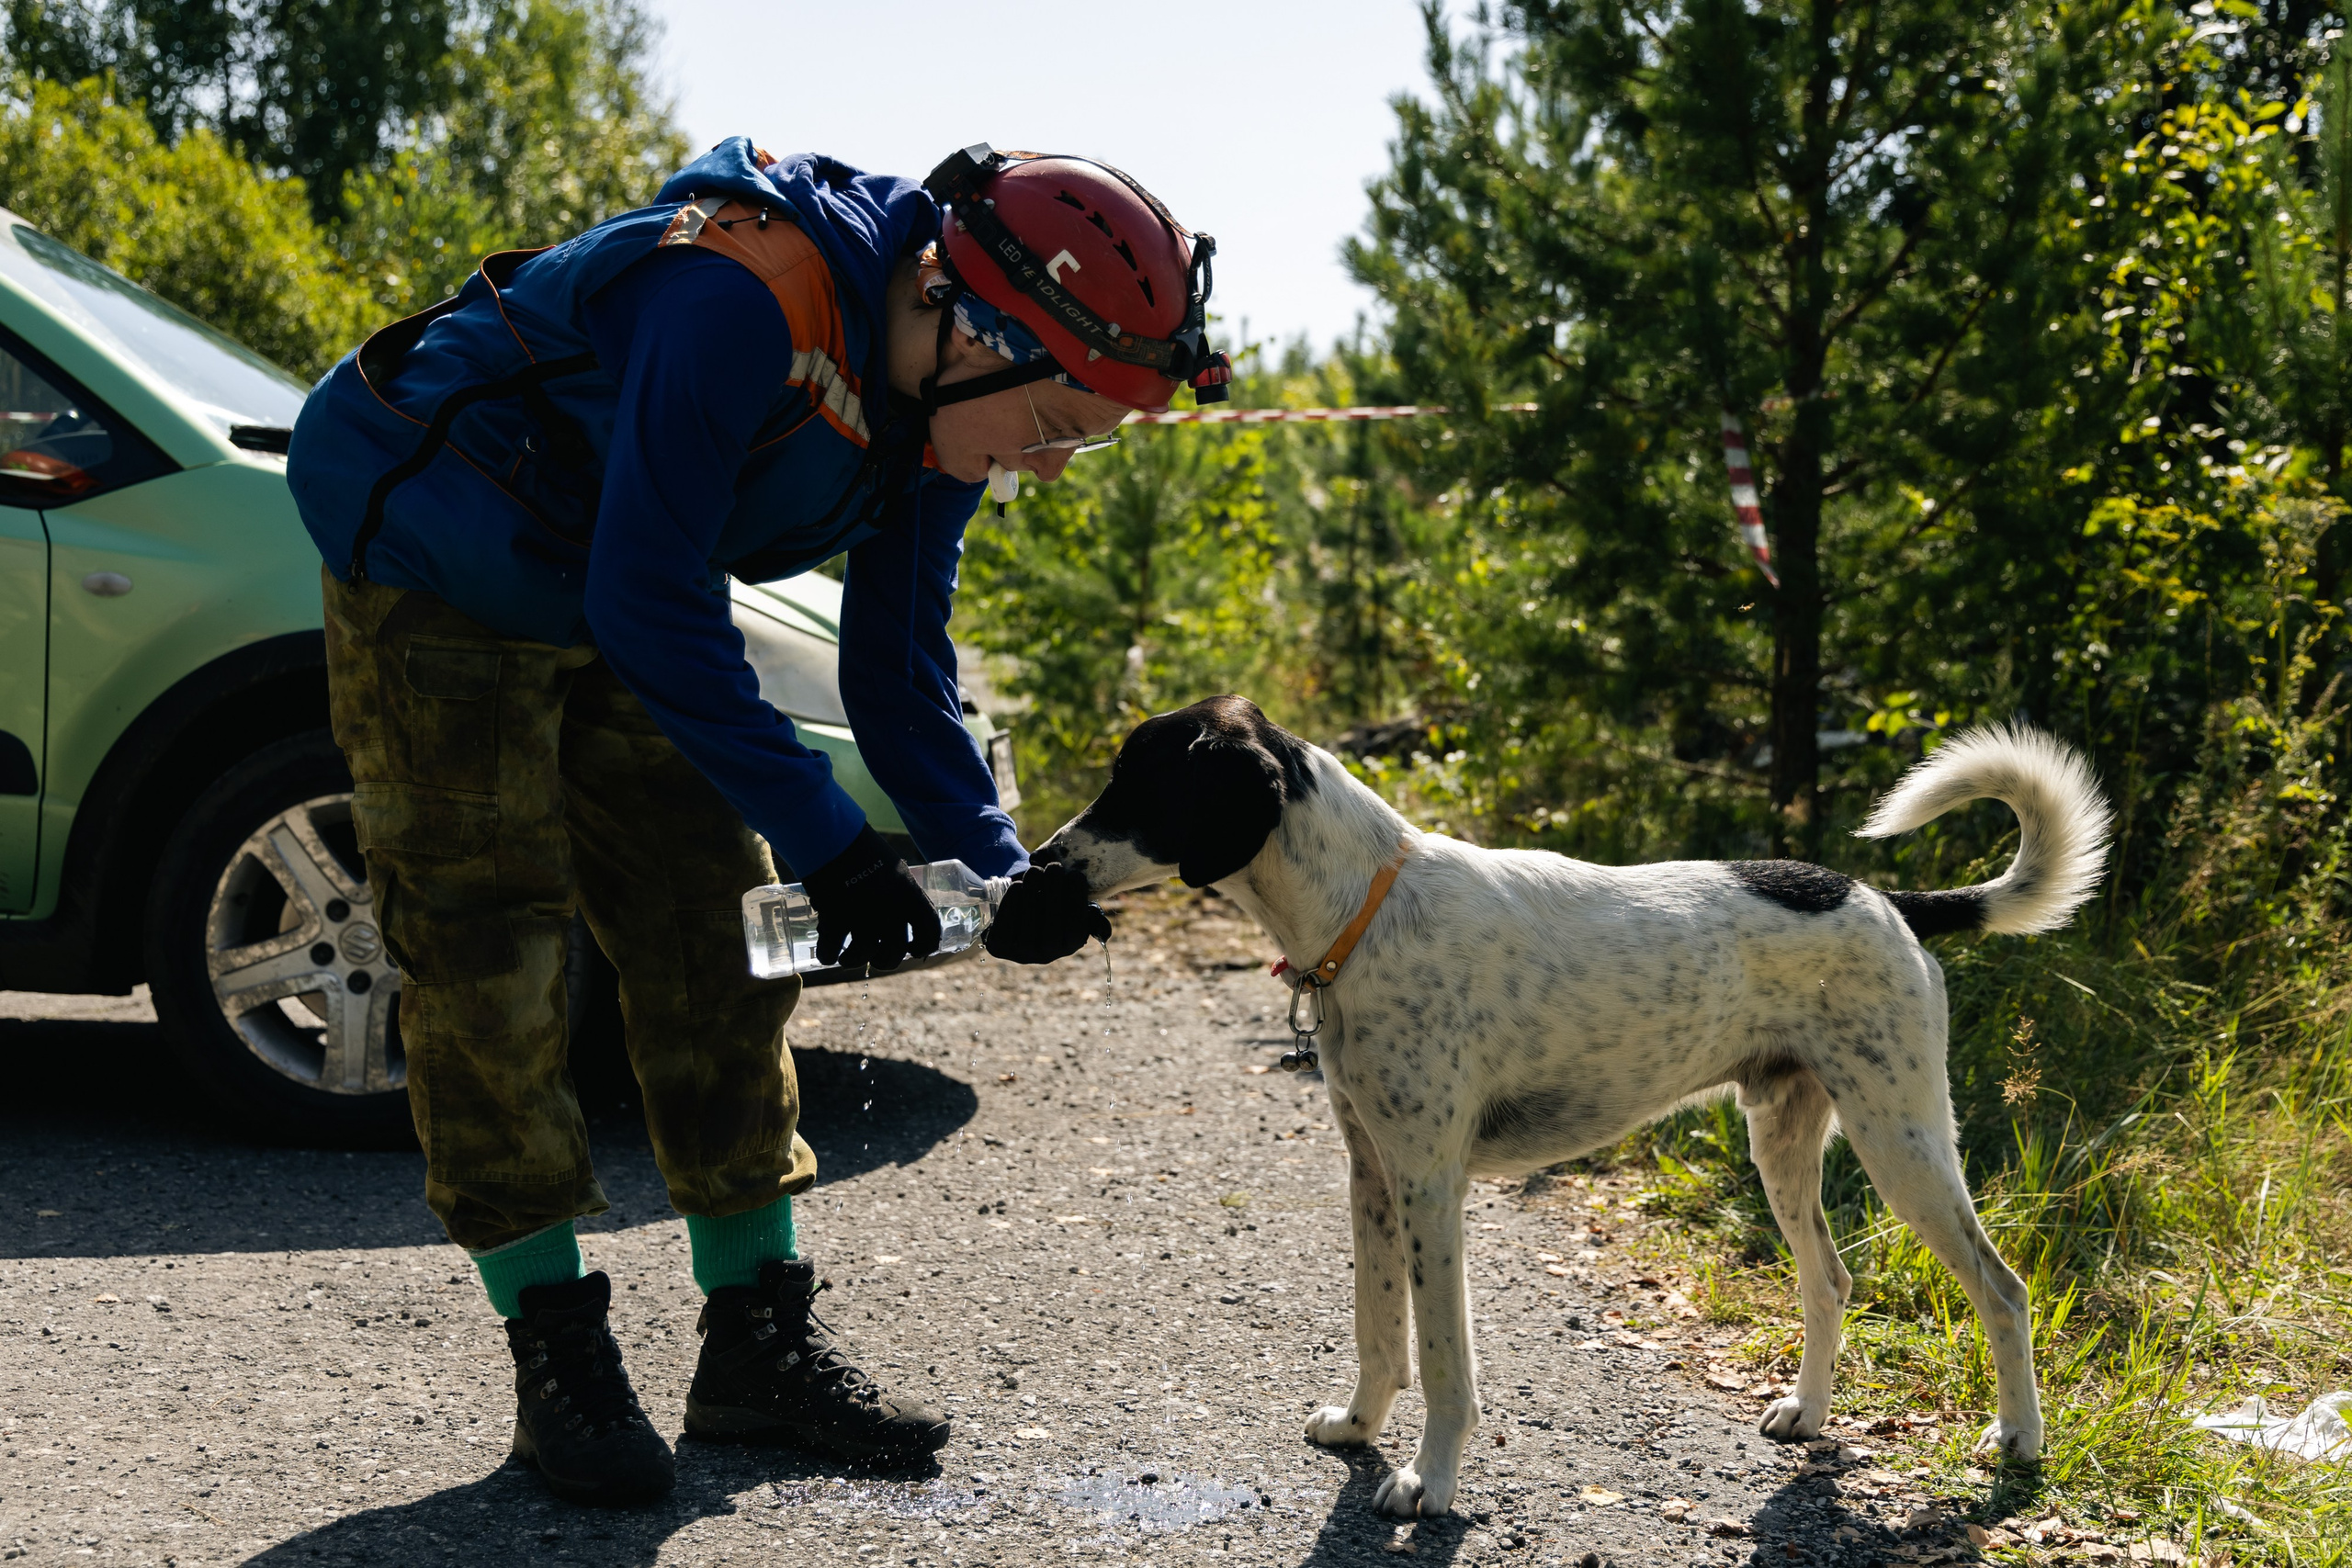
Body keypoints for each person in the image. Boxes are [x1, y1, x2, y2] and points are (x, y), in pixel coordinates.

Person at [285, 140, 1227, 1506]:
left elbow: (899, 665)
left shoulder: (941, 404)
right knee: (488, 951)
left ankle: (754, 1348)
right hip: (442, 545)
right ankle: (557, 1351)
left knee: (714, 939)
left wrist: (997, 863)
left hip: (619, 568)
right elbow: (655, 610)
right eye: (1062, 424)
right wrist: (833, 844)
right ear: (974, 326)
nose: (1062, 465)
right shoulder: (737, 303)